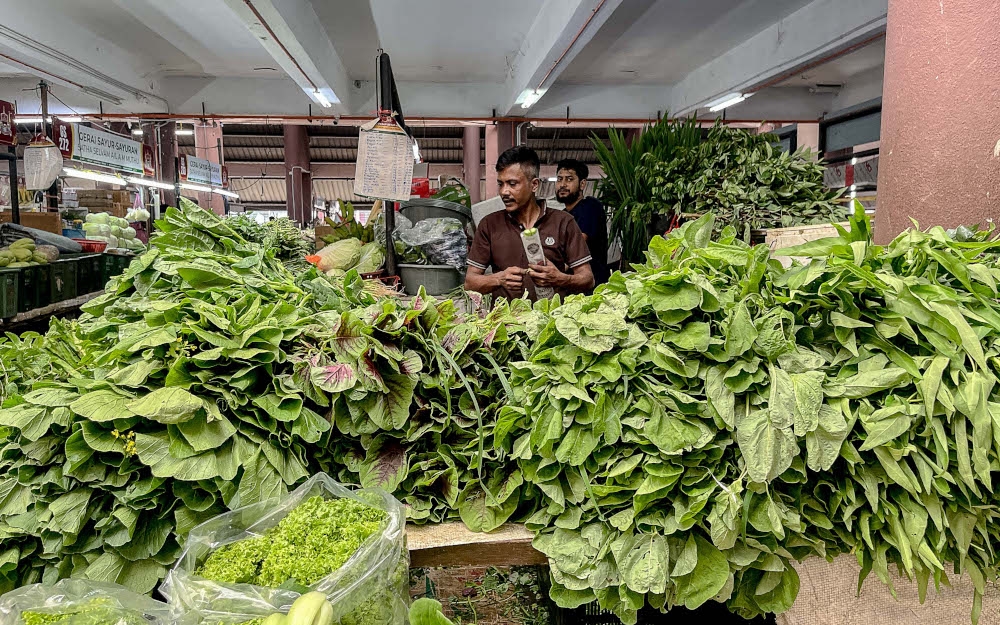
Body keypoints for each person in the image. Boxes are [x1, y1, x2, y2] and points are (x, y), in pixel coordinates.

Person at [465, 146, 594, 302]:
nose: (504, 192)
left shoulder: (563, 222)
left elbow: (588, 279)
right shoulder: (489, 224)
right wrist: (499, 279)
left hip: (550, 323)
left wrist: (559, 278)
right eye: (501, 184)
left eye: (512, 184)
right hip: (506, 324)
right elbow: (470, 282)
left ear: (534, 185)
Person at [554, 158, 609, 289]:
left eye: (569, 179)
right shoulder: (562, 215)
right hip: (569, 286)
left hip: (593, 287)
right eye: (559, 179)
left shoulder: (590, 206)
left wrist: (556, 272)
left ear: (582, 184)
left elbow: (578, 244)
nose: (562, 184)